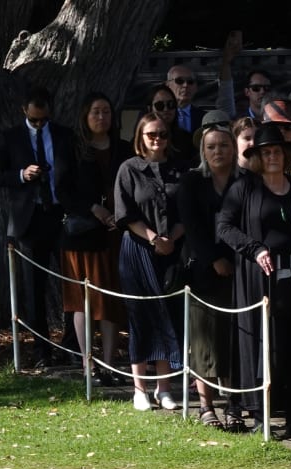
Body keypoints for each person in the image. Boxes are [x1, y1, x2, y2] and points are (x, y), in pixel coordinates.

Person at [216, 124, 291, 436]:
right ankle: (260, 415)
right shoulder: (244, 188)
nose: (272, 157)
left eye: (277, 151)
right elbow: (224, 226)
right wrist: (254, 250)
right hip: (260, 279)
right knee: (261, 343)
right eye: (266, 152)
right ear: (256, 156)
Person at [0, 85, 78, 368]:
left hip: (62, 218)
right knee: (33, 288)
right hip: (30, 219)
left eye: (44, 119)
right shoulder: (11, 138)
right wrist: (21, 175)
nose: (39, 124)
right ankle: (42, 352)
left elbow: (76, 172)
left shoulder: (64, 134)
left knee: (72, 284)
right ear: (24, 111)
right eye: (34, 119)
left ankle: (73, 345)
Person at [114, 113, 186, 412]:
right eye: (151, 135)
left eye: (162, 134)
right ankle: (140, 388)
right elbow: (125, 214)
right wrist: (155, 237)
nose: (157, 139)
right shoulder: (129, 169)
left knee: (166, 315)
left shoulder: (179, 170)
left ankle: (164, 386)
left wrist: (170, 239)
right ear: (140, 137)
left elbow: (187, 213)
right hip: (138, 251)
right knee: (141, 318)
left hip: (172, 251)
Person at [179, 115, 243, 428]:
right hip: (203, 270)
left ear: (234, 148)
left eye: (223, 145)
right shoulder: (192, 181)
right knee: (204, 342)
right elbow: (191, 227)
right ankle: (206, 407)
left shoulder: (244, 181)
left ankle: (234, 404)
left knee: (234, 339)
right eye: (211, 146)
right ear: (203, 152)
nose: (218, 151)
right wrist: (213, 259)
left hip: (240, 270)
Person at [63, 92, 130, 385]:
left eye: (106, 111)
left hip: (116, 235)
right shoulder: (73, 151)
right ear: (85, 117)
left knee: (111, 301)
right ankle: (88, 363)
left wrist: (119, 215)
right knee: (85, 301)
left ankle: (109, 363)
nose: (102, 117)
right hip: (83, 238)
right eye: (95, 112)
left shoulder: (124, 149)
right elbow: (62, 190)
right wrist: (95, 209)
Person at [147, 83, 195, 166]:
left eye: (170, 104)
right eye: (160, 105)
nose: (166, 109)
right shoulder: (141, 141)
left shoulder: (186, 139)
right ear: (150, 109)